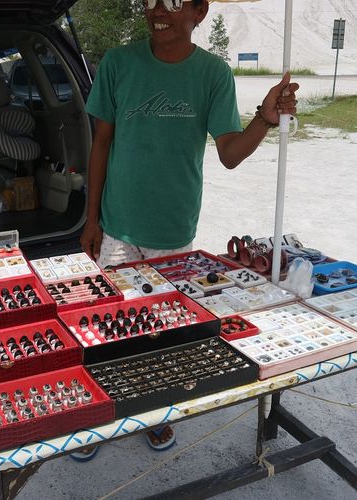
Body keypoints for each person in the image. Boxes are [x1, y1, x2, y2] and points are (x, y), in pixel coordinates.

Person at [75, 0, 298, 459]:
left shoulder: (212, 74)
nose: (158, 10)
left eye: (174, 2)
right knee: (107, 326)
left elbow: (230, 153)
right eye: (151, 0)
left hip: (173, 230)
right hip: (115, 227)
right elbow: (100, 143)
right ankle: (99, 418)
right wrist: (91, 218)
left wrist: (264, 119)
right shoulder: (118, 64)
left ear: (199, 10)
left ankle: (157, 412)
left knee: (162, 328)